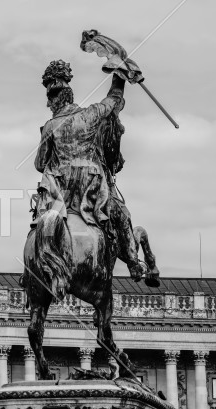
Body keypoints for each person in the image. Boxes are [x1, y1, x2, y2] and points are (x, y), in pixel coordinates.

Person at [32, 59, 147, 282]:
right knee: (121, 215)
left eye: (49, 100)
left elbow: (39, 164)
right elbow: (113, 100)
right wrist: (118, 76)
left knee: (41, 223)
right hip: (90, 189)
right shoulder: (91, 115)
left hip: (61, 193)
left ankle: (34, 267)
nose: (48, 105)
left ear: (55, 101)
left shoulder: (49, 126)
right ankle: (133, 261)